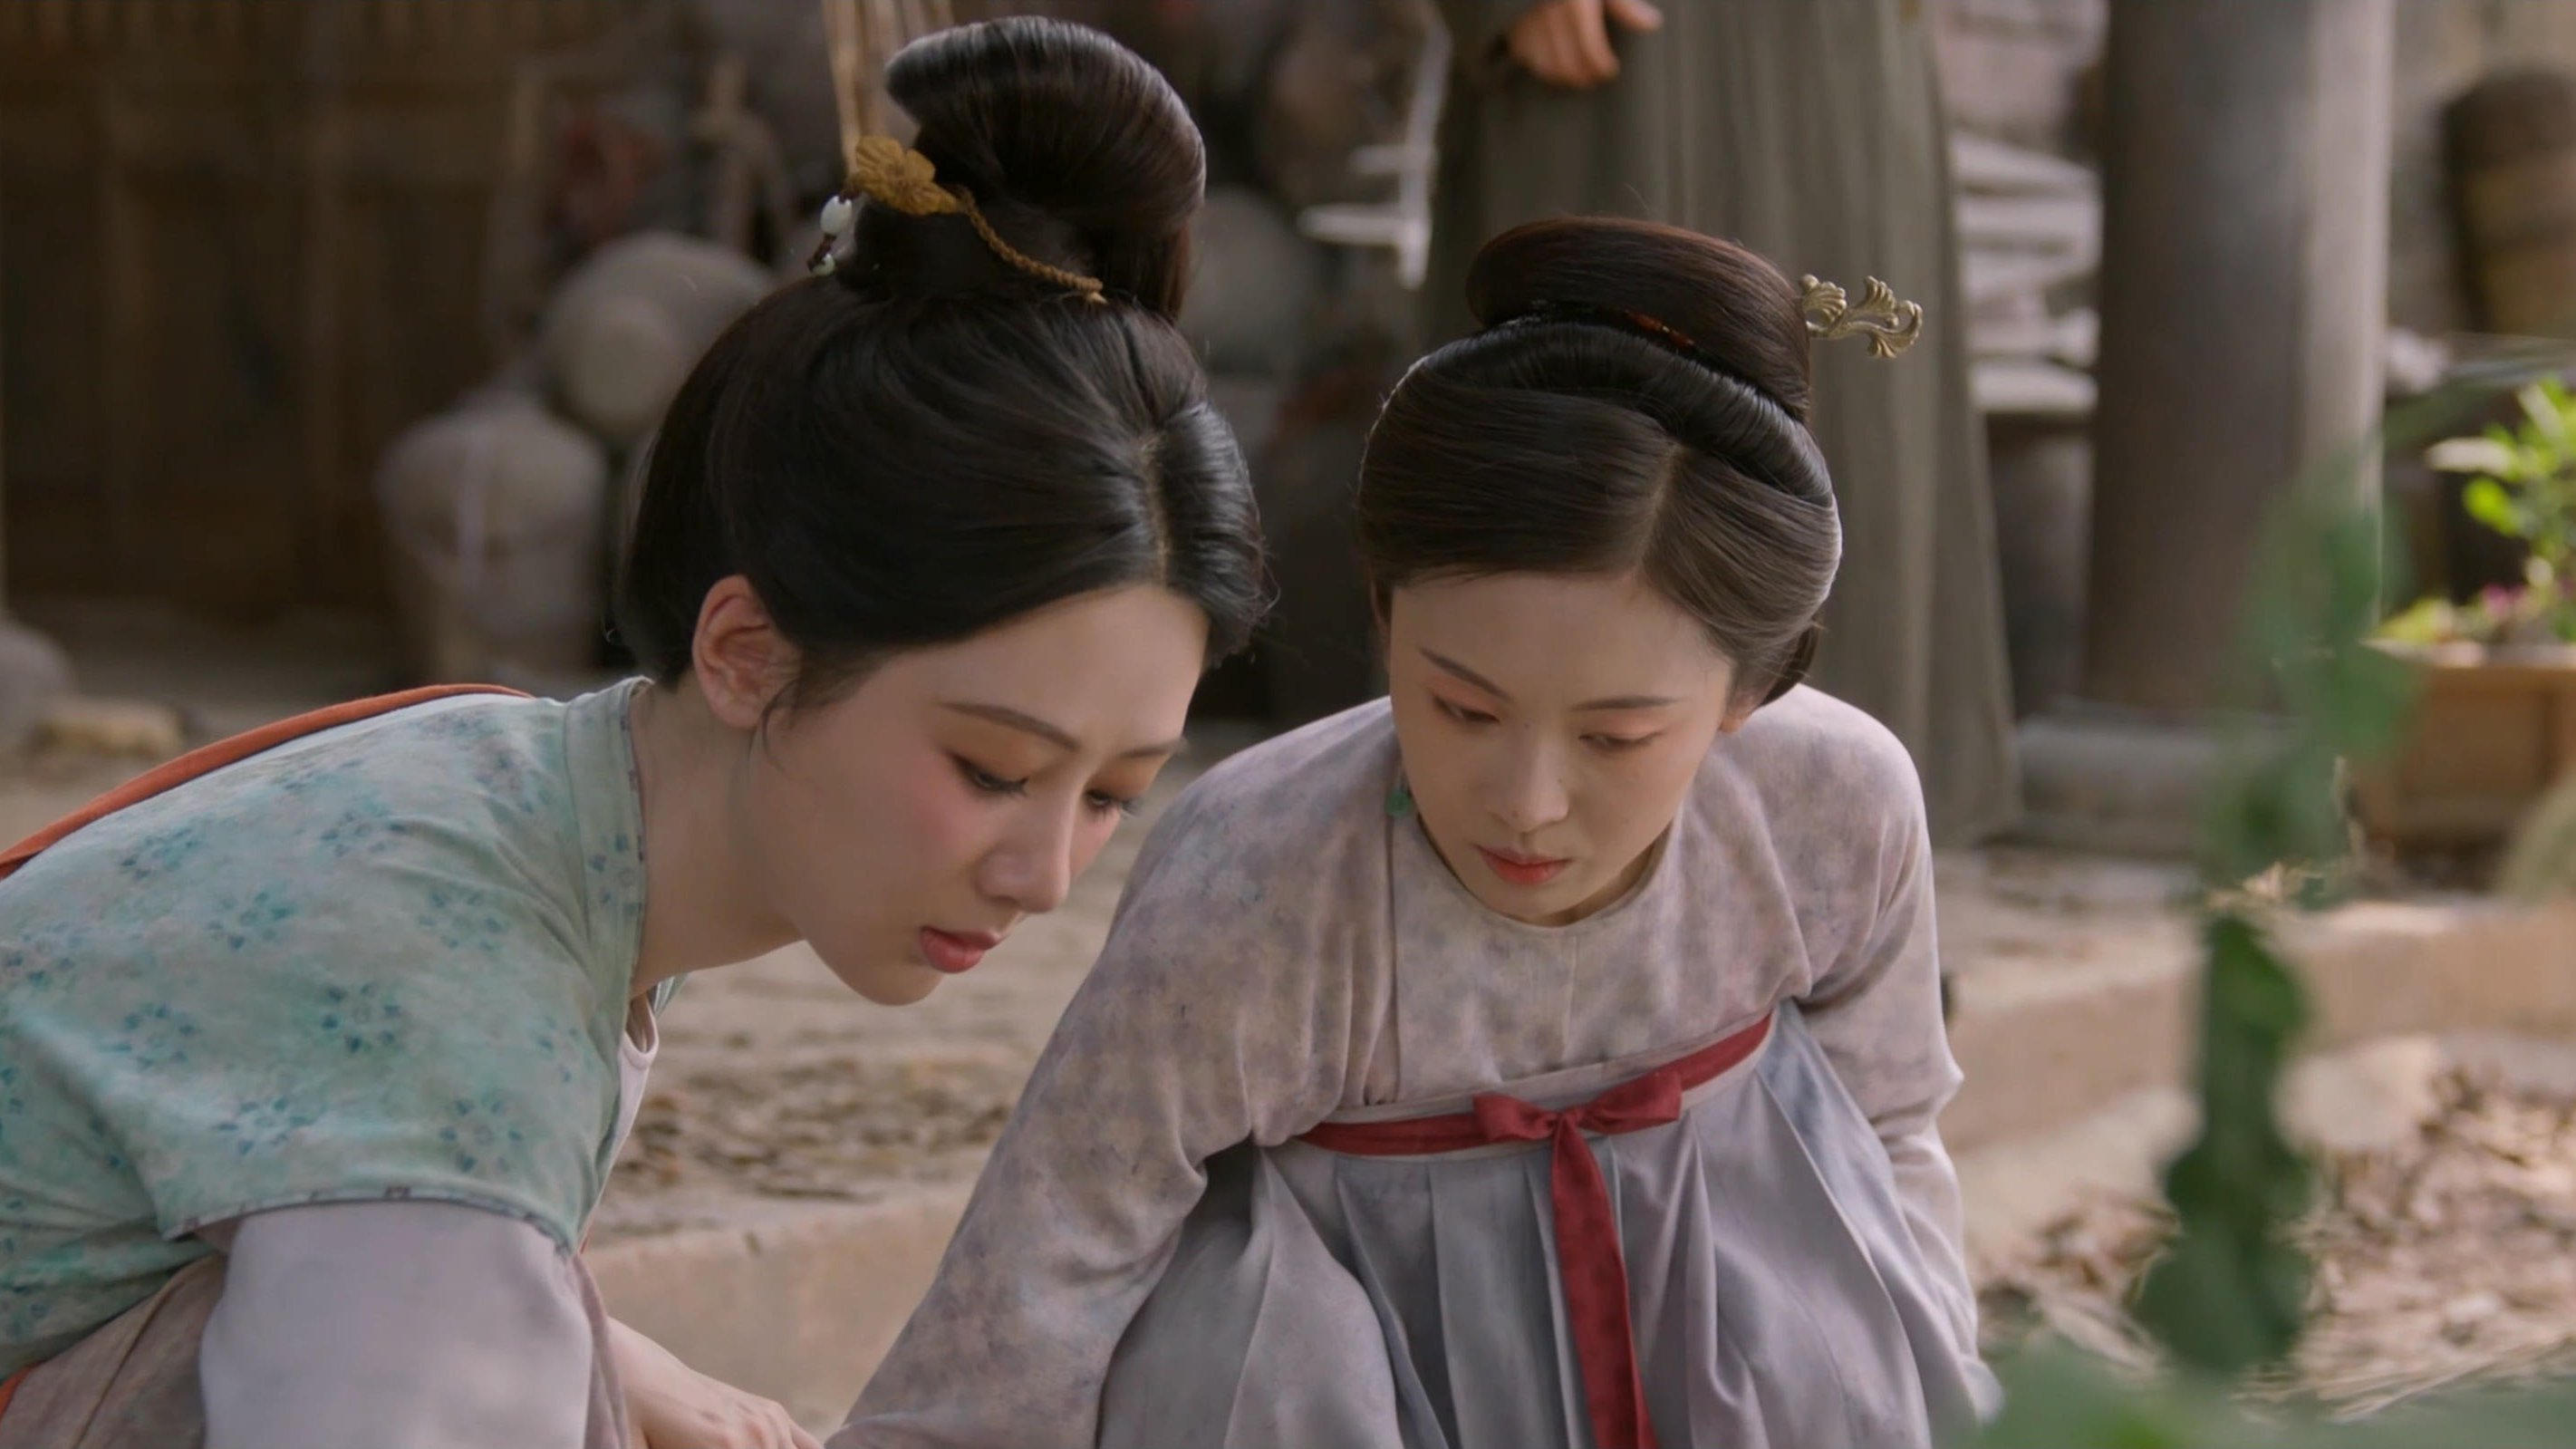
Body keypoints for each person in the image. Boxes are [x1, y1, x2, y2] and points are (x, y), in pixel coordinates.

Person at [0, 19, 1259, 1449]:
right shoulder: (462, 1014)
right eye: (992, 768)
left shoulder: (499, 780)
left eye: (1110, 794)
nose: (1044, 874)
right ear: (745, 652)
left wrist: (584, 1333)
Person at [840, 217, 1995, 1449]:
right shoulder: (1260, 876)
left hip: (1738, 1343)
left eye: (1615, 737)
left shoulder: (1827, 803)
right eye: (1461, 708)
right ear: (1384, 613)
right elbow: (1058, 1253)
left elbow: (1887, 1128)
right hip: (1349, 1379)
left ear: (1749, 690)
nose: (1526, 801)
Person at [1428, 0, 2019, 846]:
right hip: (1630, 58)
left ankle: (1843, 865)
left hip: (1837, 48)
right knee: (1589, 424)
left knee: (1854, 415)